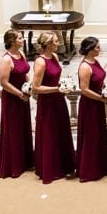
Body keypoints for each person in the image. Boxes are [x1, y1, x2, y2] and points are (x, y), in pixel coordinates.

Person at [31, 32, 75, 184]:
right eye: (56, 41)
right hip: (47, 102)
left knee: (61, 131)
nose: (58, 44)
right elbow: (35, 87)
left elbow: (55, 77)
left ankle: (64, 166)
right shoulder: (40, 62)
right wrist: (56, 89)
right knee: (49, 133)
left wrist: (62, 84)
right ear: (48, 44)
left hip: (58, 99)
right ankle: (50, 168)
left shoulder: (55, 57)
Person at [0, 29, 33, 178]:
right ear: (12, 41)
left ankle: (25, 161)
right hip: (12, 99)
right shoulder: (6, 59)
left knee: (24, 127)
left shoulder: (21, 54)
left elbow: (25, 72)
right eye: (20, 38)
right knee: (13, 130)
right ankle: (14, 165)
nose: (23, 40)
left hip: (23, 96)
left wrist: (28, 87)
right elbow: (3, 82)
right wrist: (19, 94)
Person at [75, 37, 107, 182]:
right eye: (97, 47)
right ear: (90, 50)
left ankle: (100, 167)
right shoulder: (85, 66)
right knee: (91, 136)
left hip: (97, 102)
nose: (99, 49)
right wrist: (101, 98)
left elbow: (99, 79)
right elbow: (84, 89)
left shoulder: (95, 61)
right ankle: (89, 170)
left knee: (98, 134)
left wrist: (106, 89)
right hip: (90, 105)